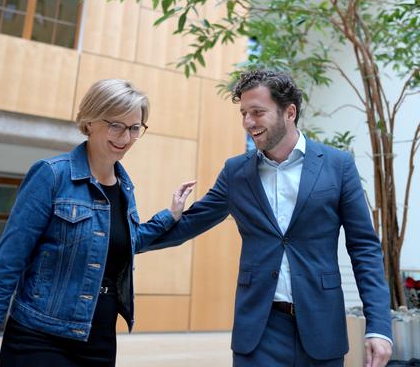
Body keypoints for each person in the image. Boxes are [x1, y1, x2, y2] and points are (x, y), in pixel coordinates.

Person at [140, 70, 393, 367]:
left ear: (289, 112)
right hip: (259, 331)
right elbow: (189, 224)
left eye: (257, 112)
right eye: (244, 113)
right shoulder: (236, 172)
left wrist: (379, 326)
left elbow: (364, 247)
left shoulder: (338, 166)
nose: (248, 122)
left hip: (322, 325)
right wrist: (123, 239)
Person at [0, 79, 195, 367]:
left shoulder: (125, 188)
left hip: (99, 339)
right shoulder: (51, 176)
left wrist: (170, 215)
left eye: (134, 128)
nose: (126, 137)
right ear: (90, 121)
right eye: (116, 125)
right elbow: (3, 273)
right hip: (40, 337)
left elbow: (122, 242)